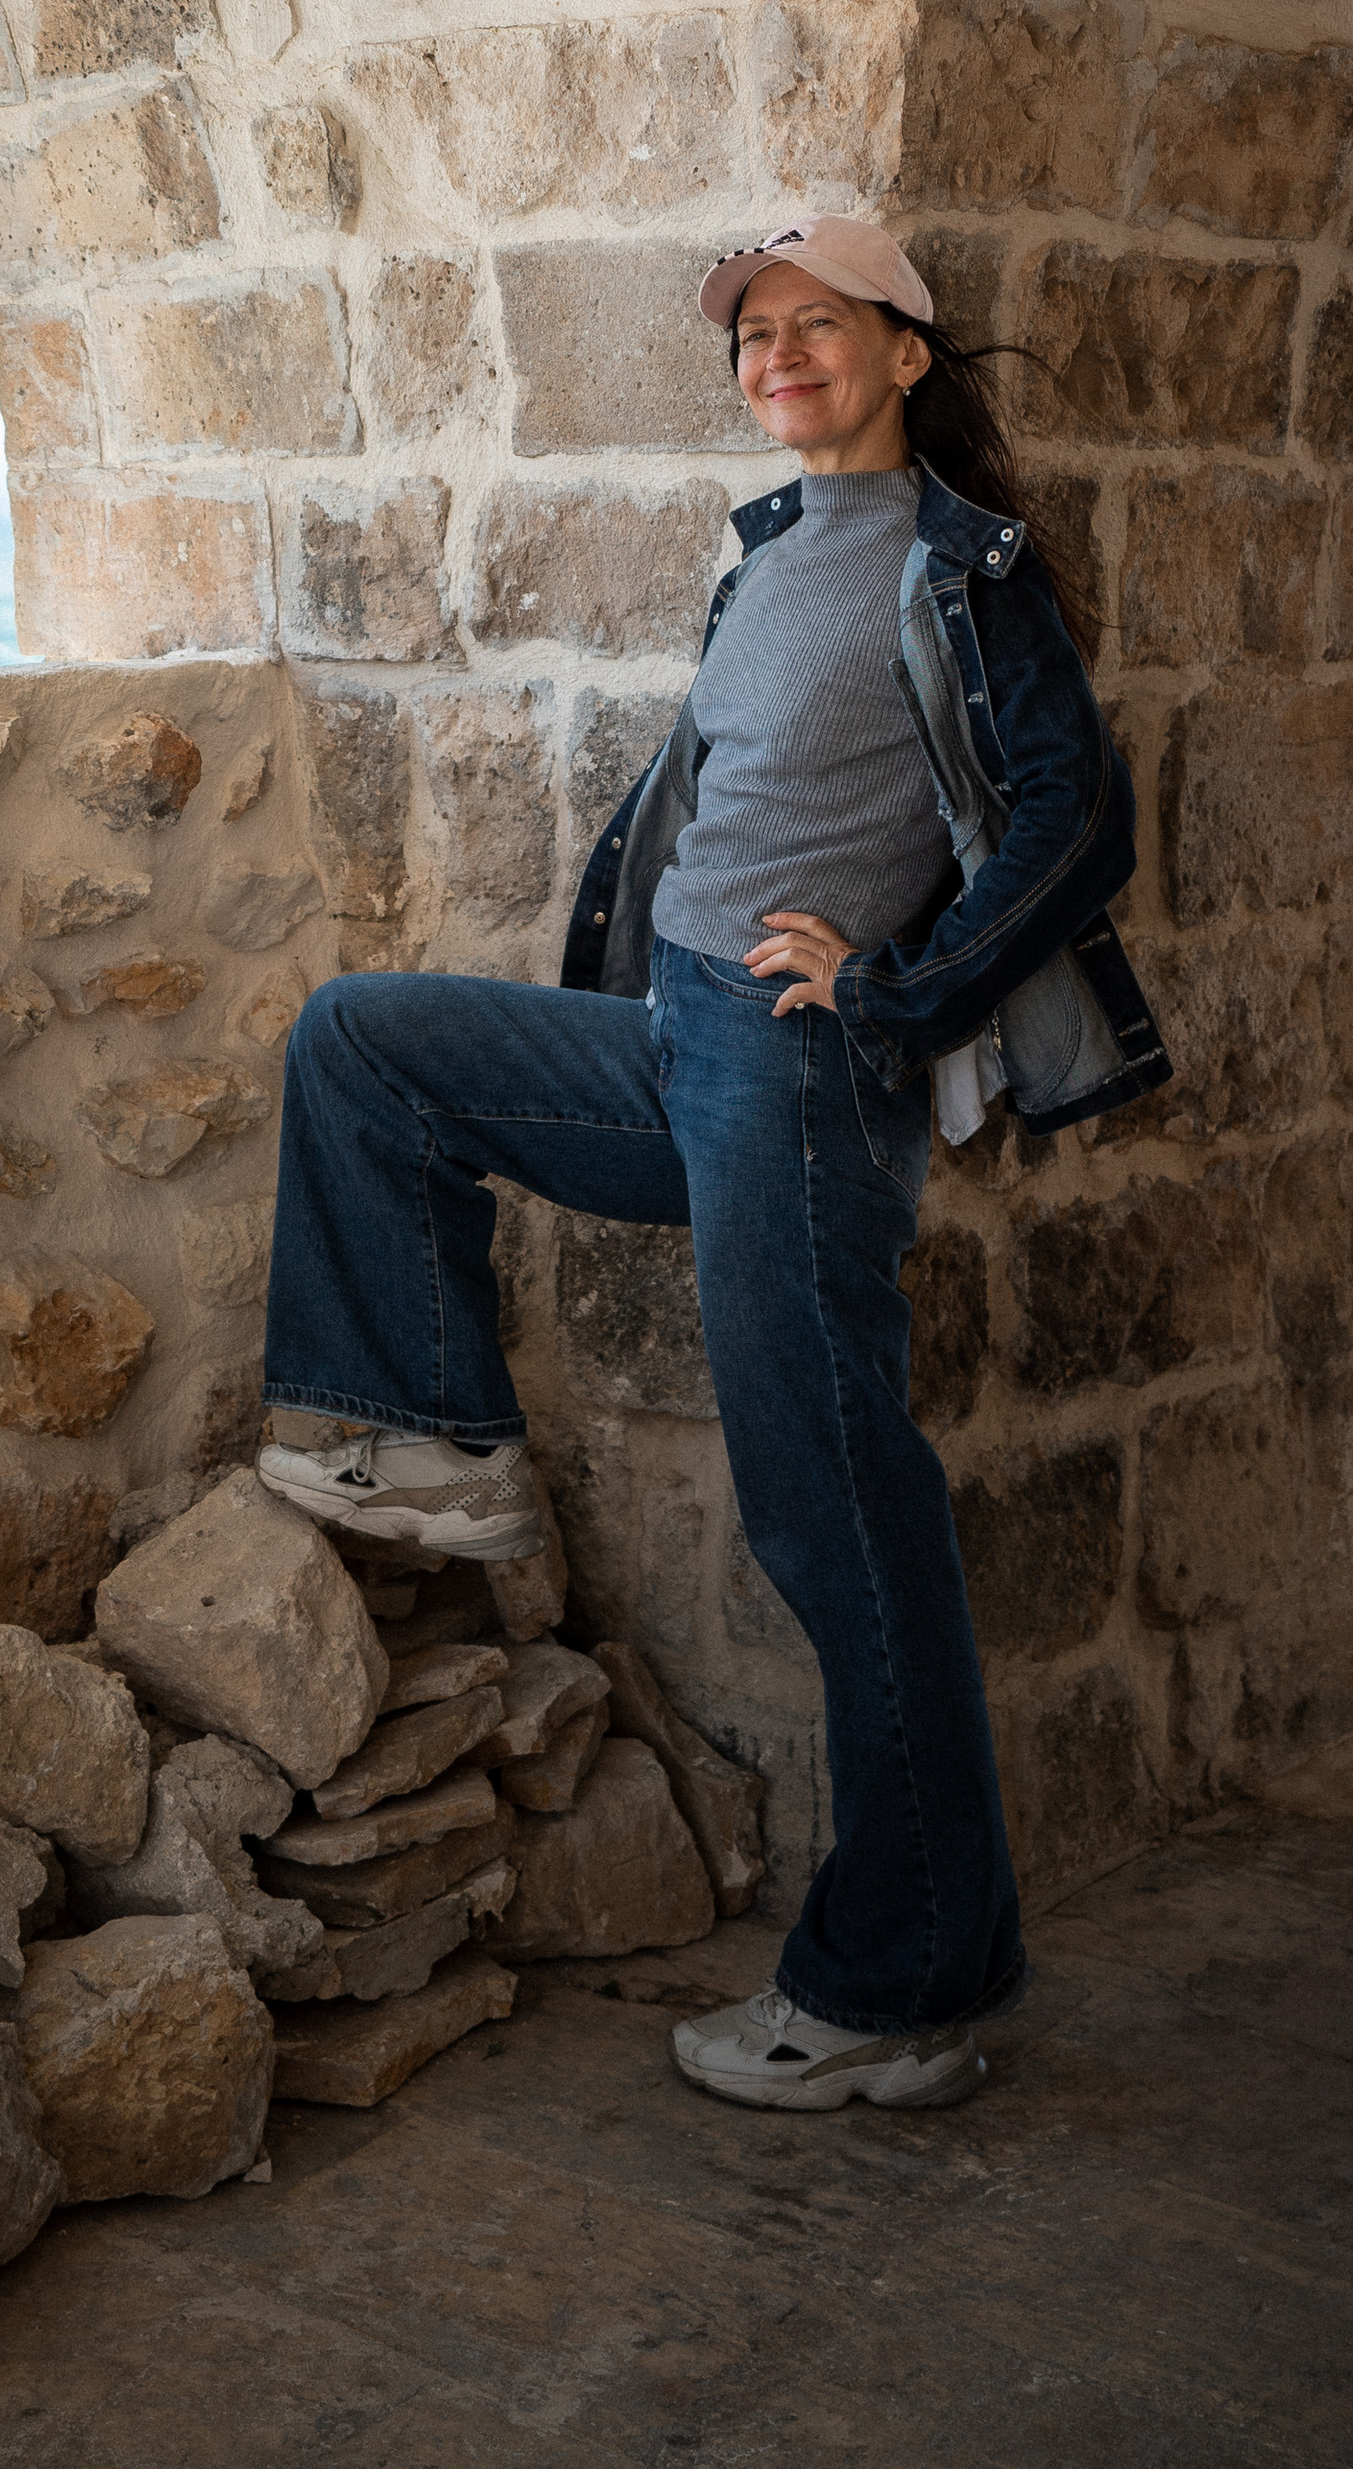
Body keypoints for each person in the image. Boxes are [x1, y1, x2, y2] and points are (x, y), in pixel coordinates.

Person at [255, 215, 1170, 2115]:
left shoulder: (961, 561)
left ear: (907, 352)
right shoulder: (771, 550)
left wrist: (899, 992)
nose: (776, 357)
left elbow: (1079, 820)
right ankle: (438, 1449)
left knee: (835, 1522)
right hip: (675, 1043)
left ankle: (897, 1989)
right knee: (364, 1046)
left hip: (800, 1079)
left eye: (815, 327)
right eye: (755, 334)